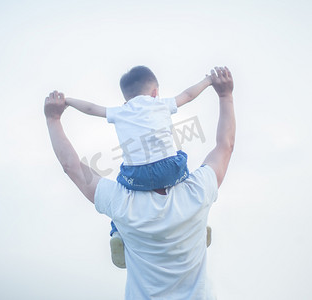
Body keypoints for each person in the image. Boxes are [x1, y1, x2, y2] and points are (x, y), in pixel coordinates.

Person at [44, 66, 235, 299]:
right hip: (190, 213)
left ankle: (119, 235)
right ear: (155, 92)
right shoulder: (197, 190)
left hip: (131, 203)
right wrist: (225, 95)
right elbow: (225, 146)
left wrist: (53, 119)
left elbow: (71, 167)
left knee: (118, 214)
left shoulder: (122, 202)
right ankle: (194, 231)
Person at [63, 66, 213, 268]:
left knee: (120, 188)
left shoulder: (121, 111)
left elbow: (91, 108)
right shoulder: (159, 104)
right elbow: (188, 95)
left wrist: (68, 101)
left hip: (137, 175)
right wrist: (208, 80)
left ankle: (116, 233)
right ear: (154, 93)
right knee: (183, 166)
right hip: (169, 169)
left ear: (126, 99)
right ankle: (198, 223)